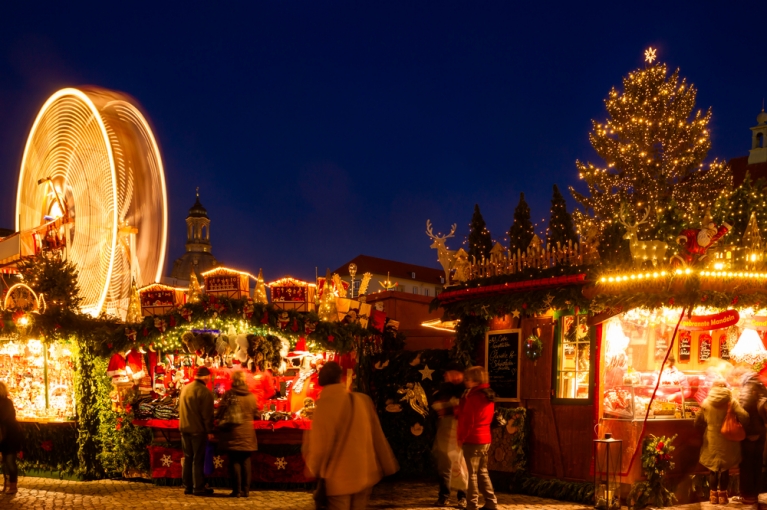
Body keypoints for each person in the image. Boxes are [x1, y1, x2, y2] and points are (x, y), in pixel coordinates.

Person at [302, 361, 398, 510]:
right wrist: (388, 463)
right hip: (364, 471)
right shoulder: (361, 400)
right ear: (340, 378)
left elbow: (319, 445)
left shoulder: (323, 407)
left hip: (338, 476)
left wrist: (312, 468)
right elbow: (377, 435)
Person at [694, 379, 748, 505]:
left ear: (713, 388)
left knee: (713, 468)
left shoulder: (706, 402)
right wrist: (737, 423)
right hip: (727, 438)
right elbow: (744, 416)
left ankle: (713, 496)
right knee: (725, 468)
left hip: (711, 438)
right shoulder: (731, 401)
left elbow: (698, 420)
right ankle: (723, 496)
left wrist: (703, 429)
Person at [457, 366, 498, 510]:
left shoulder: (474, 397)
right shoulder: (488, 395)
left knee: (471, 474)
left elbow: (467, 420)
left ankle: (472, 504)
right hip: (485, 437)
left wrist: (461, 437)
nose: (465, 382)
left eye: (467, 379)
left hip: (473, 439)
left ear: (475, 380)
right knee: (482, 472)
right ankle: (491, 502)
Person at [217, 370, 259, 498]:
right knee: (246, 461)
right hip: (247, 433)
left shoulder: (229, 395)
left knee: (235, 461)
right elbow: (256, 414)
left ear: (233, 381)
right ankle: (246, 491)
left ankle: (237, 491)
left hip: (233, 433)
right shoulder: (251, 396)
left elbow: (220, 412)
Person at [431, 362, 468, 508]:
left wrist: (451, 407)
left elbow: (464, 408)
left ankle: (462, 496)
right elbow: (437, 407)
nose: (449, 376)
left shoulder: (466, 390)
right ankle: (444, 495)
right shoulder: (443, 389)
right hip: (445, 431)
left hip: (460, 432)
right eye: (448, 374)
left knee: (460, 465)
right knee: (444, 466)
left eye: (453, 373)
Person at [179, 366, 215, 496]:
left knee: (188, 458)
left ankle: (187, 486)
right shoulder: (204, 392)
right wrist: (210, 431)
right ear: (206, 377)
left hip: (184, 429)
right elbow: (207, 415)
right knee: (197, 459)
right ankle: (198, 487)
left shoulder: (185, 388)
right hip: (197, 430)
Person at [735, 367, 767, 505]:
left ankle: (747, 495)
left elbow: (743, 412)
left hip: (750, 434)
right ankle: (755, 493)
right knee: (757, 463)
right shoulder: (761, 387)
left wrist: (746, 431)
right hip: (761, 432)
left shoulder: (747, 388)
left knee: (747, 464)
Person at [0, 381, 22, 495]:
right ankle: (8, 483)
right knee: (7, 461)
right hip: (5, 436)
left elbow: (4, 418)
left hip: (9, 436)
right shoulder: (6, 402)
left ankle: (13, 485)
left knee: (9, 461)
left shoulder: (6, 403)